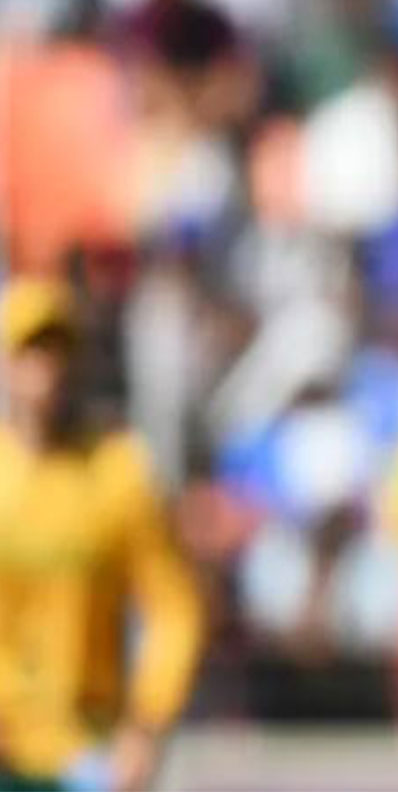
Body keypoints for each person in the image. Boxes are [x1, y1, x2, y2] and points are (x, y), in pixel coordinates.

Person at [0, 277, 204, 792]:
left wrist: (147, 723)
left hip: (84, 751)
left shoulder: (117, 475)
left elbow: (175, 609)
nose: (43, 372)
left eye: (56, 352)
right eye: (30, 352)